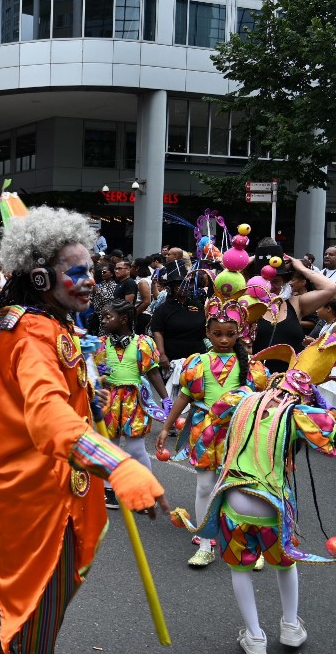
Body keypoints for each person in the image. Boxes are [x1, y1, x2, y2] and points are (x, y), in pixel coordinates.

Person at [0, 206, 167, 654]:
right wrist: (117, 466)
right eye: (77, 272)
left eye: (92, 270)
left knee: (26, 608)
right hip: (37, 496)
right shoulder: (32, 334)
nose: (91, 282)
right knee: (35, 612)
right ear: (40, 278)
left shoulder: (46, 323)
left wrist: (84, 399)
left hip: (43, 483)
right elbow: (45, 415)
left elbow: (49, 399)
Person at [170, 337, 336, 654]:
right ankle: (291, 626)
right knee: (285, 566)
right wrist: (329, 411)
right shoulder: (299, 416)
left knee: (240, 570)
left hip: (233, 499)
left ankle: (254, 637)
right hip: (273, 509)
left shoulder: (241, 398)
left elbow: (213, 416)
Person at [156, 236, 271, 568]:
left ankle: (248, 540)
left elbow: (261, 405)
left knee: (242, 485)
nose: (223, 340)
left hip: (239, 430)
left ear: (240, 334)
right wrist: (166, 428)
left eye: (229, 335)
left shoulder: (251, 367)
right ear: (208, 330)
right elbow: (184, 397)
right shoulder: (196, 362)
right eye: (217, 334)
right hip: (204, 428)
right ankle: (206, 541)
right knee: (206, 484)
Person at [95, 298, 170, 509]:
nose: (104, 321)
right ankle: (109, 490)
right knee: (109, 446)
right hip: (108, 399)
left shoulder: (142, 343)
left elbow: (153, 372)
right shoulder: (101, 344)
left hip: (133, 400)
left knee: (136, 448)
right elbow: (93, 373)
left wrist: (165, 399)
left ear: (124, 319)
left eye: (108, 317)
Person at [252, 256, 336, 373]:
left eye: (275, 281)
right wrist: (248, 261)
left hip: (288, 383)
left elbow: (331, 288)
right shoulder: (249, 304)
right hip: (253, 380)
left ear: (284, 282)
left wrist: (301, 268)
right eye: (265, 282)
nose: (269, 287)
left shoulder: (296, 304)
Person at [148, 262, 205, 406]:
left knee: (196, 390)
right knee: (171, 391)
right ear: (173, 286)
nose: (185, 287)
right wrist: (162, 354)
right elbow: (157, 331)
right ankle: (170, 421)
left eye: (188, 283)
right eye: (180, 284)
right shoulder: (164, 308)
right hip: (171, 356)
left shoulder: (197, 305)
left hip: (196, 355)